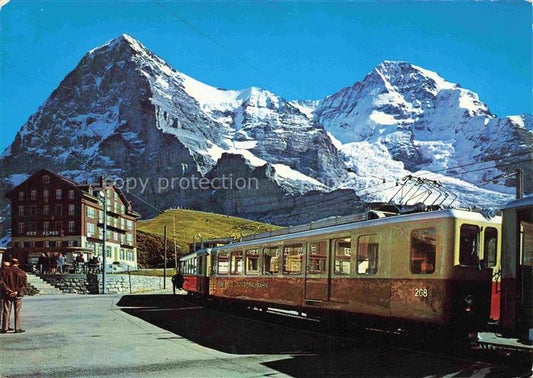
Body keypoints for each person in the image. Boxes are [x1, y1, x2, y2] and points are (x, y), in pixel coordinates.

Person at [0, 258, 27, 333]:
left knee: (6, 311)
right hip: (18, 294)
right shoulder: (22, 273)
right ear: (18, 264)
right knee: (17, 311)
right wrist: (16, 291)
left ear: (11, 263)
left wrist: (9, 291)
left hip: (7, 294)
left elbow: (2, 283)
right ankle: (17, 328)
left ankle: (4, 328)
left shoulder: (4, 272)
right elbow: (24, 285)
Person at [0, 261, 13, 331]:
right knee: (1, 311)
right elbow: (2, 284)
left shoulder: (9, 274)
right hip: (1, 294)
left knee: (7, 311)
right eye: (5, 266)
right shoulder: (1, 273)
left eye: (8, 266)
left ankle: (6, 325)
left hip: (8, 294)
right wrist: (9, 290)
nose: (7, 268)